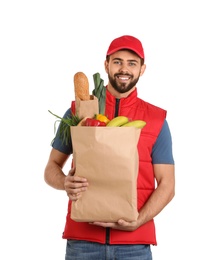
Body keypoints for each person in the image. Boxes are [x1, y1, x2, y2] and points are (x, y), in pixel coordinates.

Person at [44, 35, 175, 260]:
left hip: (134, 245)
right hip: (82, 242)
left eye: (132, 63)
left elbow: (167, 185)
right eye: (117, 61)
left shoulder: (155, 120)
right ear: (106, 65)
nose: (124, 69)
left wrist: (138, 221)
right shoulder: (77, 112)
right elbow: (51, 169)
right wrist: (65, 182)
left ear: (142, 69)